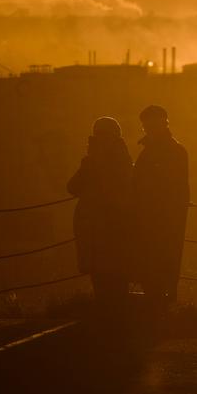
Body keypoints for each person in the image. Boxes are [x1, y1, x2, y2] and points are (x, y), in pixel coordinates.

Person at [67, 117, 136, 321]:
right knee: (116, 270)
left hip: (96, 223)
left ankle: (106, 316)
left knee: (100, 272)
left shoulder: (94, 160)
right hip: (117, 223)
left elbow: (72, 186)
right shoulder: (124, 159)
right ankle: (116, 317)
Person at [133, 105, 190, 310]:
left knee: (157, 263)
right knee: (163, 262)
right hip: (161, 219)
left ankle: (158, 308)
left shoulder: (158, 152)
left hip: (158, 219)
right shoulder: (173, 150)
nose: (147, 129)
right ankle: (162, 307)